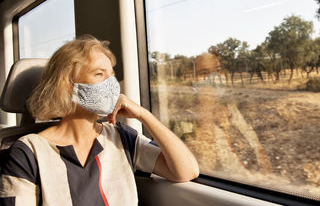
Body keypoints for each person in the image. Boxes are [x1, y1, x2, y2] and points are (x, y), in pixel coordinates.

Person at [0, 35, 199, 205]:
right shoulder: (28, 152)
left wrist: (144, 115)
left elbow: (186, 171)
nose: (112, 85)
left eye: (111, 75)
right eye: (99, 74)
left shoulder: (121, 137)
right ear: (67, 85)